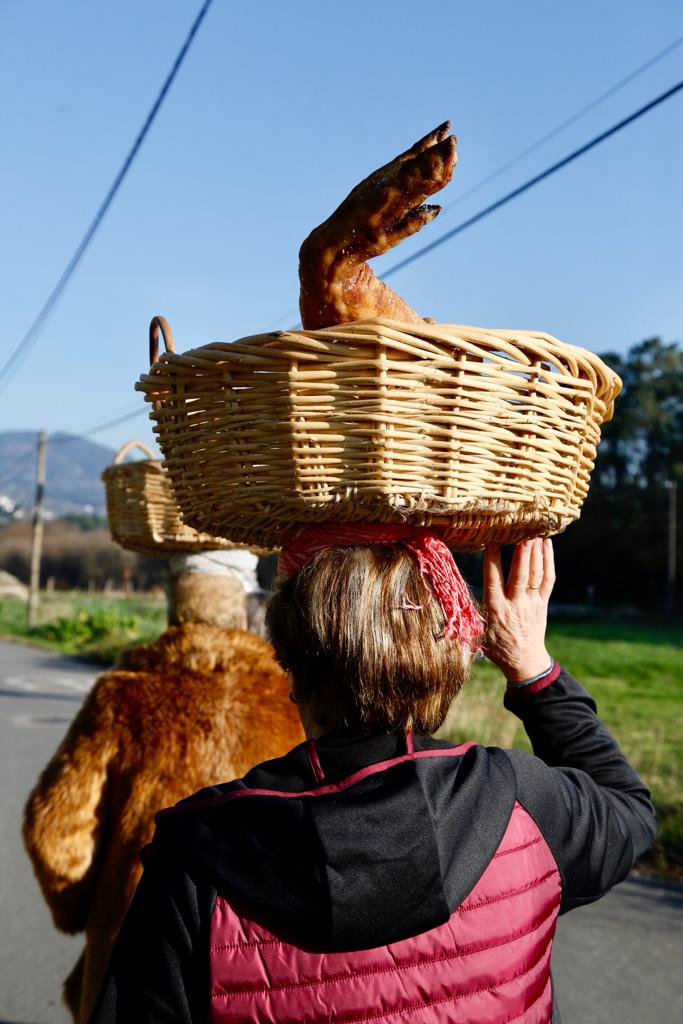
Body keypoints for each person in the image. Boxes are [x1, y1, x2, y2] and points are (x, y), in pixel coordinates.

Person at [88, 530, 656, 1024]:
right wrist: (532, 667)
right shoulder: (521, 803)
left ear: (292, 676)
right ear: (451, 663)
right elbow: (629, 808)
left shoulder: (196, 853)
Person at [23, 550, 304, 1024]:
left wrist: (79, 911)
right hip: (254, 968)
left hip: (130, 958)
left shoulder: (123, 696)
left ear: (172, 608)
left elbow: (56, 832)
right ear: (243, 610)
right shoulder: (291, 701)